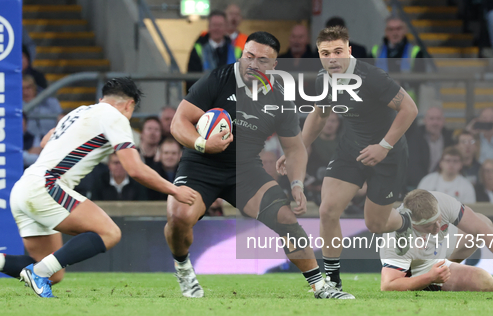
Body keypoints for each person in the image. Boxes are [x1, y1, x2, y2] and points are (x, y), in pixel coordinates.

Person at [0, 78, 197, 298]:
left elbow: (46, 140)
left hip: (24, 186)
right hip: (46, 186)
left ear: (101, 99)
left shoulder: (78, 112)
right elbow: (135, 169)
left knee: (53, 271)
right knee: (109, 233)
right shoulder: (116, 117)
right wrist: (174, 190)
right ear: (129, 105)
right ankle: (37, 274)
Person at [167, 31, 353, 299]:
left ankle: (321, 287)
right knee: (179, 217)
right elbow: (179, 122)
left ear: (274, 65)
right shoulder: (218, 79)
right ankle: (183, 267)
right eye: (249, 56)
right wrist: (202, 144)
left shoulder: (278, 97)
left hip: (244, 170)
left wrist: (297, 183)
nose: (253, 64)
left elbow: (294, 147)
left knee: (286, 219)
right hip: (200, 165)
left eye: (262, 60)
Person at [277, 26, 418, 292]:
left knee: (375, 224)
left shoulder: (373, 76)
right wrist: (298, 149)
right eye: (325, 53)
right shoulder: (323, 78)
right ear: (318, 55)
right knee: (327, 211)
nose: (333, 58)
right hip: (351, 148)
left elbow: (409, 108)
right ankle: (332, 280)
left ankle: (404, 222)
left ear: (349, 51)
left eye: (338, 51)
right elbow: (319, 115)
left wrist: (384, 146)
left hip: (388, 153)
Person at [380, 189, 493, 291]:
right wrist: (429, 277)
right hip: (418, 267)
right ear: (414, 224)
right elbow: (388, 285)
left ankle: (444, 272)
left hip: (439, 249)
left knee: (484, 221)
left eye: (438, 220)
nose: (437, 227)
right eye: (429, 225)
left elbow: (482, 228)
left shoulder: (442, 201)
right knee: (486, 283)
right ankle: (429, 281)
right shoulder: (398, 237)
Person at [187, 10, 239, 92]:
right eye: (214, 25)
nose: (217, 29)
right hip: (203, 99)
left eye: (220, 25)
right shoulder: (198, 50)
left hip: (228, 100)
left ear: (225, 27)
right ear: (208, 26)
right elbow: (191, 80)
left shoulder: (236, 51)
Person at [406, 107, 455, 189]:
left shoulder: (449, 140)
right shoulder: (414, 138)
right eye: (431, 119)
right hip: (419, 185)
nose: (435, 122)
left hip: (444, 186)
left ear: (443, 121)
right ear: (425, 120)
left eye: (438, 119)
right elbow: (413, 165)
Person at [23, 74, 62, 140]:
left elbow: (62, 120)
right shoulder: (16, 108)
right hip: (28, 145)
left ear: (34, 87)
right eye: (22, 89)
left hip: (53, 140)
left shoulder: (51, 102)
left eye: (28, 88)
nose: (25, 92)